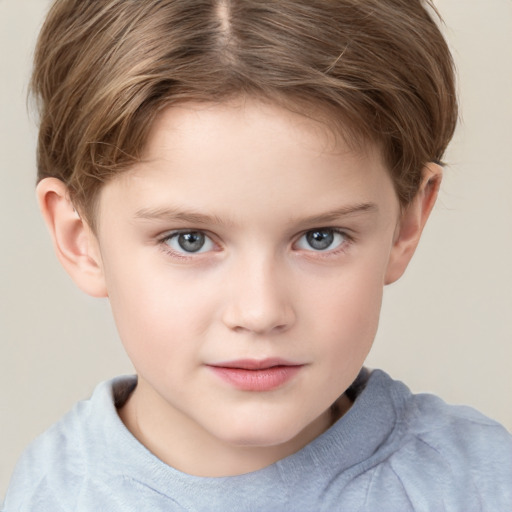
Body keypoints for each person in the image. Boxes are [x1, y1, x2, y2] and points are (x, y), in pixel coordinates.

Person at [3, 0, 511, 510]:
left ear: (406, 223)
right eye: (190, 240)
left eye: (320, 238)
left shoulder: (480, 485)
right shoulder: (49, 495)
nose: (260, 311)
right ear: (80, 238)